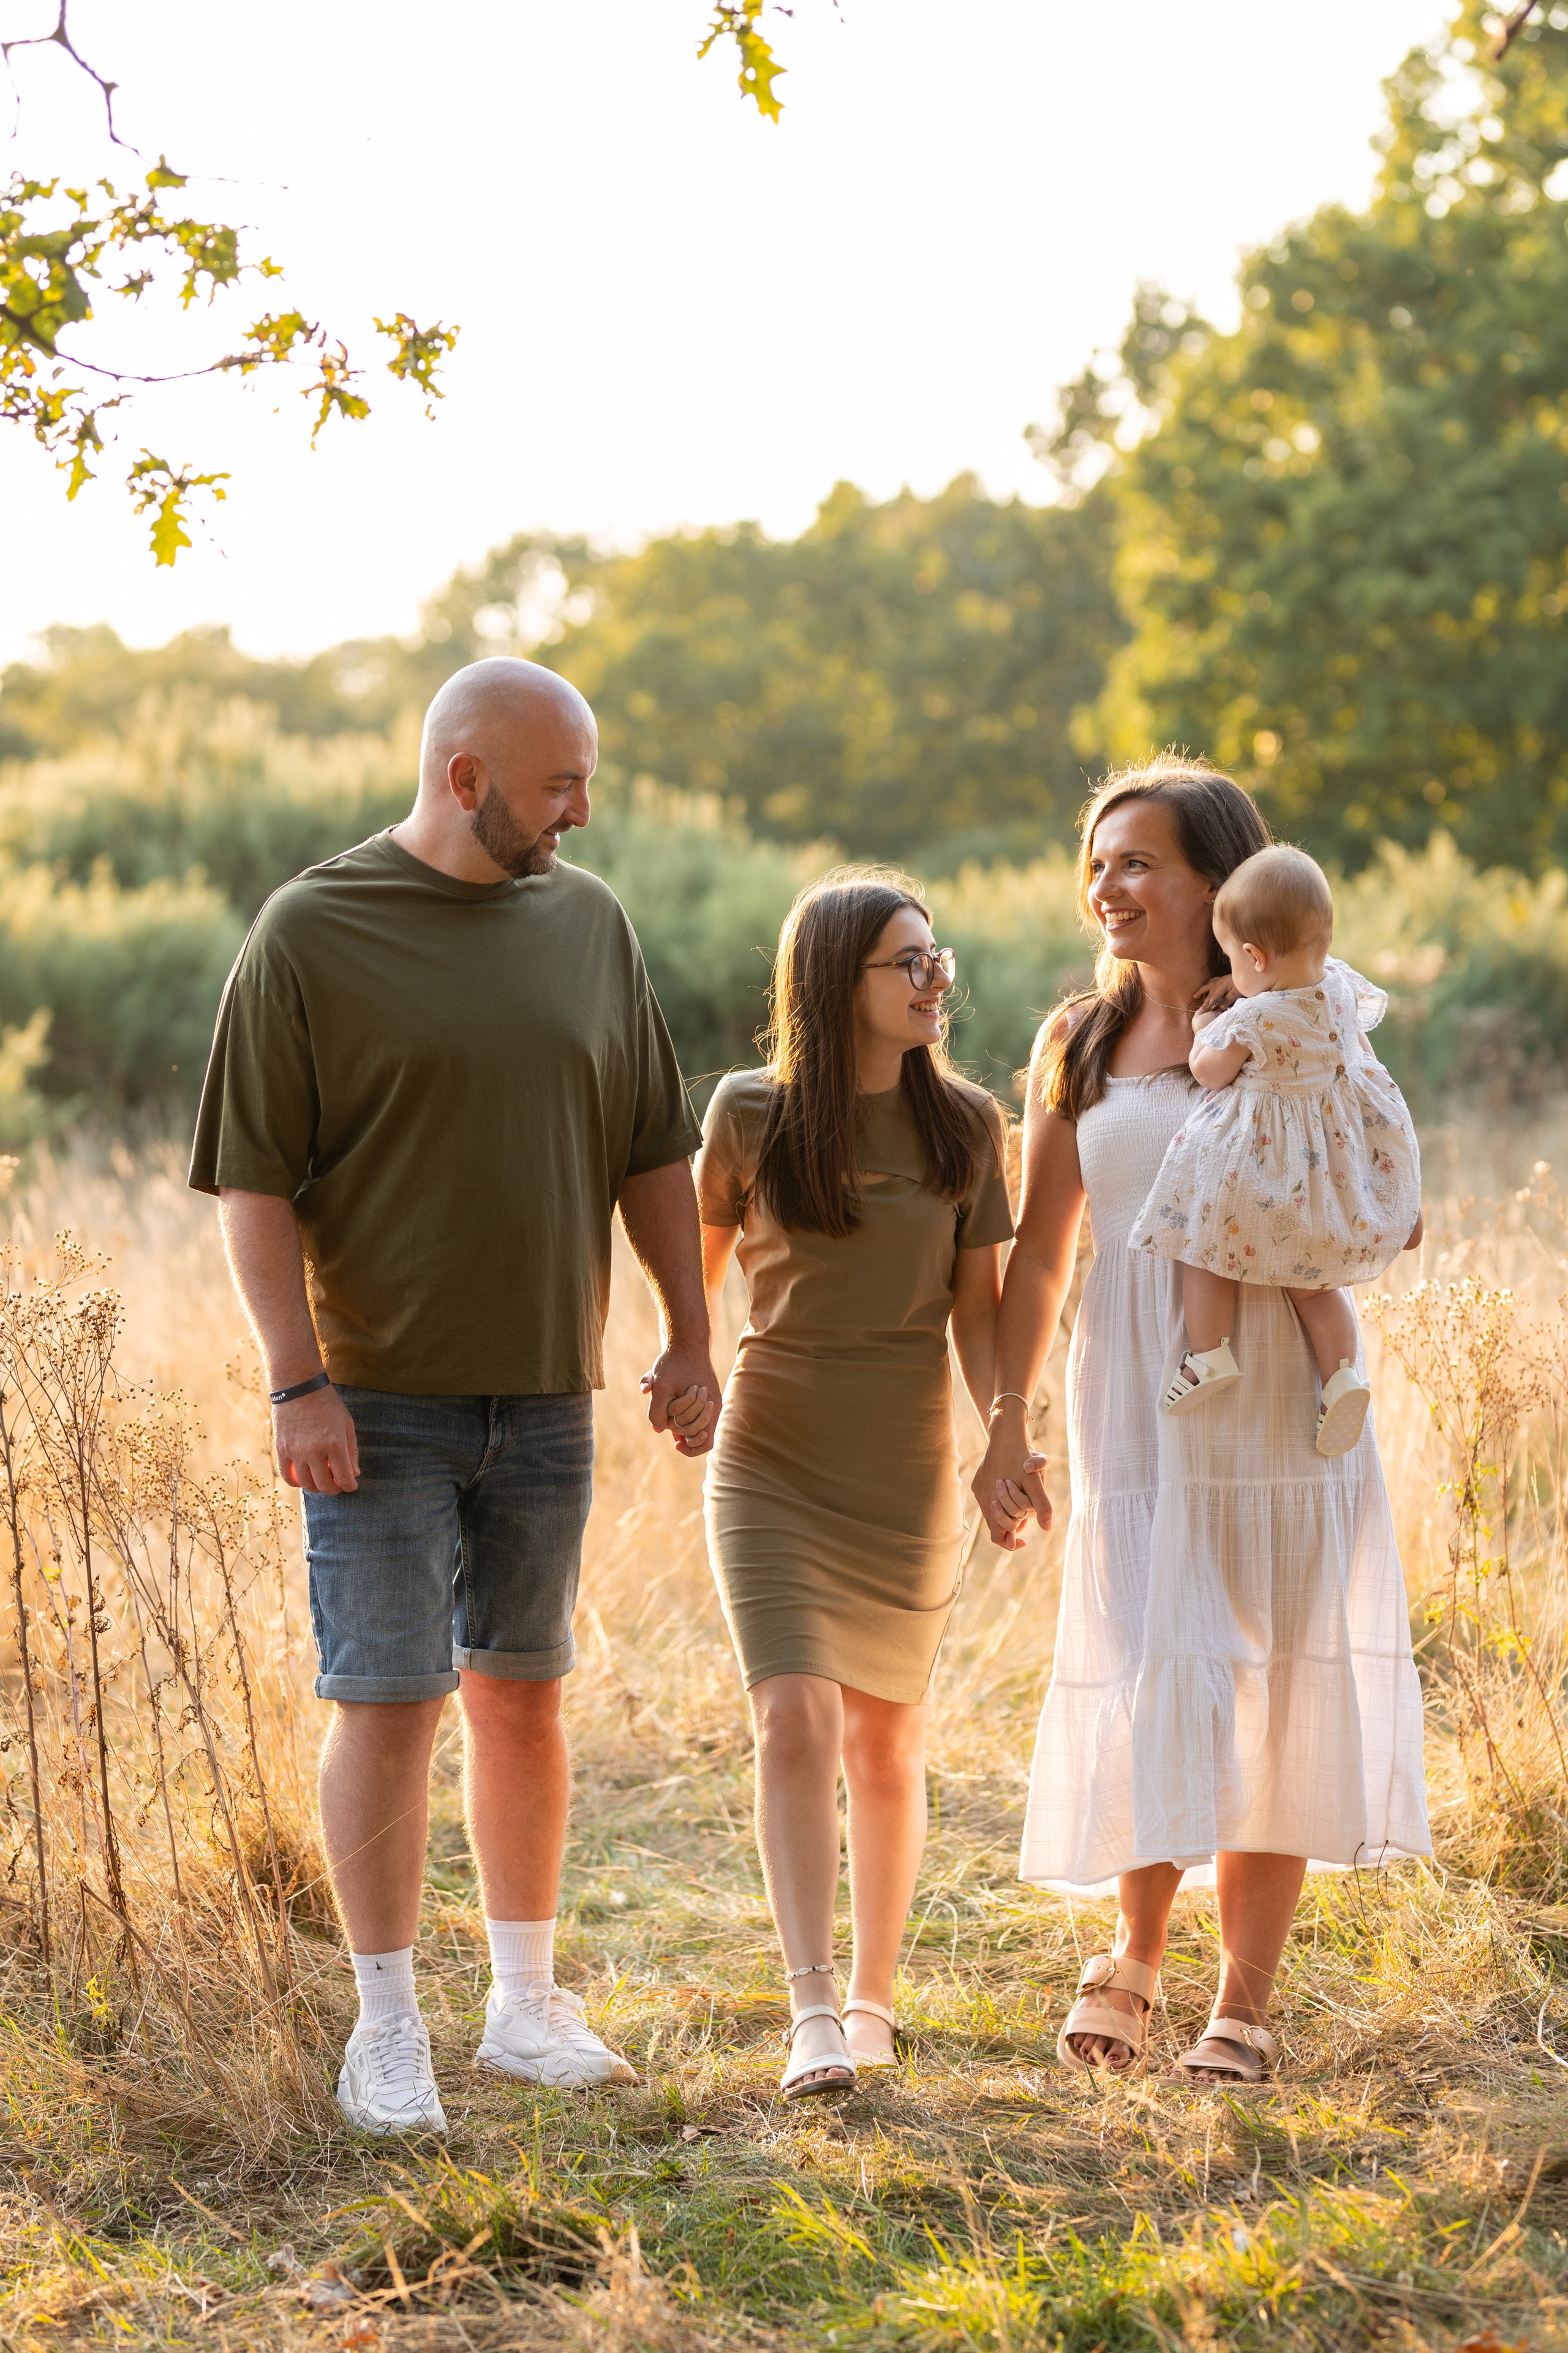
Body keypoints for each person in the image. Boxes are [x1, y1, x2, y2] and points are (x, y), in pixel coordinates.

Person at [189, 657, 720, 2136]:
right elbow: (251, 1181)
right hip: (374, 1400)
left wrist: (688, 1331)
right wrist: (293, 1380)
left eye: (588, 780)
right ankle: (386, 2025)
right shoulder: (312, 928)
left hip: (544, 1390)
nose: (582, 808)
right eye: (560, 783)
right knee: (389, 1697)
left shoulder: (590, 921)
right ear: (466, 775)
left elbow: (648, 1150)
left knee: (524, 1692)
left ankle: (523, 2004)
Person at [971, 759, 1430, 2088]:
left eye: (1139, 863)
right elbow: (1041, 1257)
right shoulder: (1078, 1043)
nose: (1107, 888)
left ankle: (1245, 1994)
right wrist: (1005, 1421)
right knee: (1147, 1648)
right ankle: (1132, 1953)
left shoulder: (1297, 1019)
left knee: (1279, 1664)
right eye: (1097, 863)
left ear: (1215, 886)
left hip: (1276, 1383)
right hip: (1139, 1382)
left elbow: (1379, 1183)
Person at [698, 872, 1013, 2100]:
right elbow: (693, 1265)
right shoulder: (745, 1113)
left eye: (937, 958)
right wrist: (687, 1364)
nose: (935, 979)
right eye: (906, 962)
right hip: (770, 1452)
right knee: (795, 1716)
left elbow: (980, 1321)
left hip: (903, 1459)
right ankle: (812, 2011)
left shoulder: (967, 1126)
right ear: (836, 983)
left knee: (885, 1743)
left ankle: (876, 2003)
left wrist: (1006, 1438)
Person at [1134, 844, 1422, 1454]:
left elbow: (1210, 1072)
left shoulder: (1254, 1018)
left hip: (1261, 1174)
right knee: (1316, 1286)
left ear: (1253, 956)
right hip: (1333, 1173)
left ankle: (1210, 1354)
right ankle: (1341, 1375)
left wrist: (1202, 1029)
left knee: (1202, 1248)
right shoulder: (1339, 989)